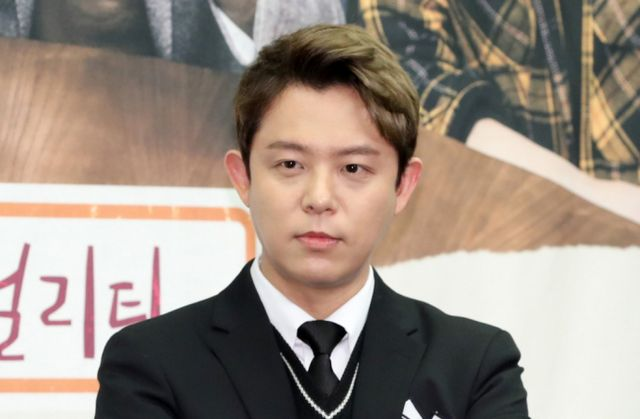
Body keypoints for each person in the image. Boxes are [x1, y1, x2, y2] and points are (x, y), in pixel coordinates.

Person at [95, 24, 528, 419]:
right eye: (290, 164)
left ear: (403, 185)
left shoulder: (473, 366)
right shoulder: (152, 364)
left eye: (353, 168)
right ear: (242, 178)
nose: (319, 198)